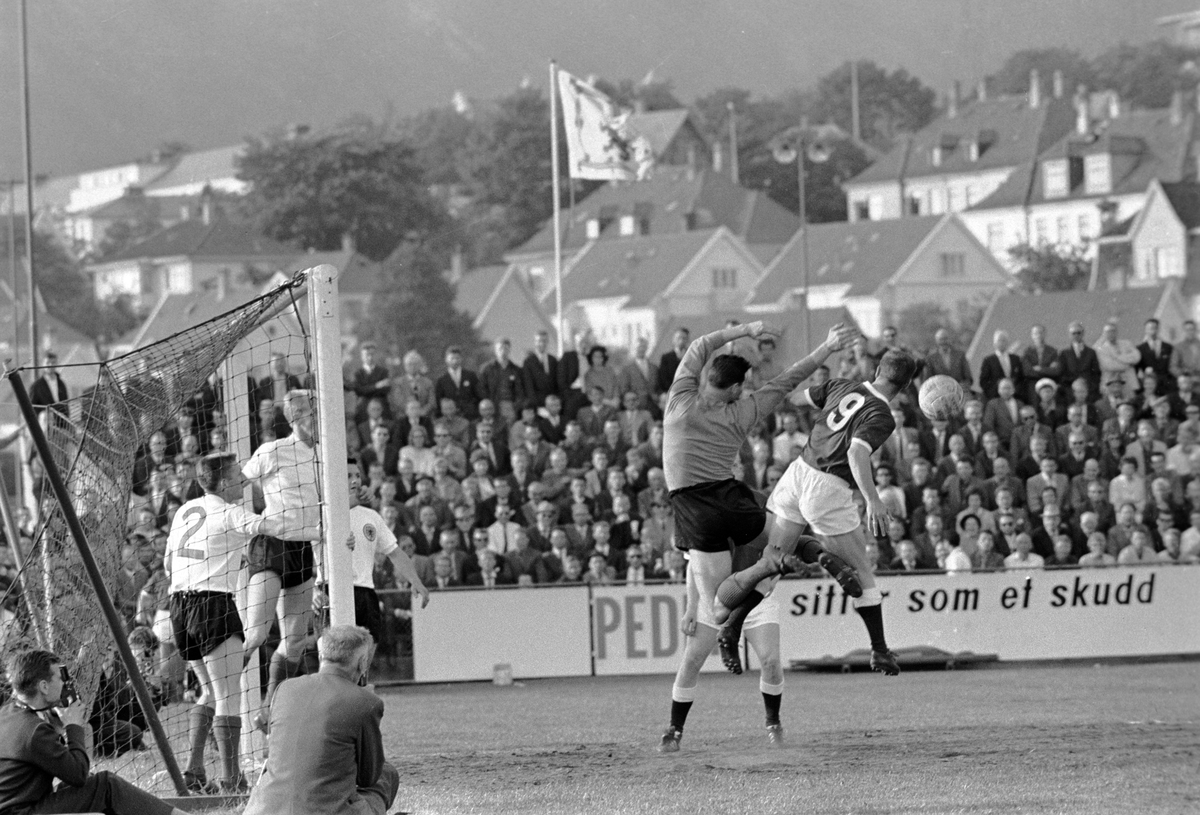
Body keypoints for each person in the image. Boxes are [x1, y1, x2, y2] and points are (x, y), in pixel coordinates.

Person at [657, 320, 857, 754]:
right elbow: (786, 381)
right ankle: (813, 555)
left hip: (694, 508)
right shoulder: (740, 412)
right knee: (783, 532)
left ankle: (766, 568)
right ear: (733, 388)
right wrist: (825, 348)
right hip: (732, 497)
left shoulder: (679, 399)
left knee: (720, 604)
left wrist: (744, 329)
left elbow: (700, 344)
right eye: (741, 386)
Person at [715, 345, 921, 678]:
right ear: (906, 385)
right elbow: (856, 453)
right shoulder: (882, 415)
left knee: (771, 564)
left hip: (796, 474)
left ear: (877, 370)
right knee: (863, 572)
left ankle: (731, 628)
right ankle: (880, 650)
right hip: (827, 486)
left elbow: (796, 399)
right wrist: (873, 499)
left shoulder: (840, 385)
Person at [166, 452, 320, 793]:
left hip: (177, 605)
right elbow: (273, 528)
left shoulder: (184, 510)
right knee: (228, 695)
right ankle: (232, 779)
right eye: (238, 476)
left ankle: (193, 771)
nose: (243, 481)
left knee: (209, 691)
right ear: (224, 482)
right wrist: (321, 531)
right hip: (211, 604)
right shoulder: (231, 513)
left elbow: (167, 562)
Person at [0, 650, 187, 815]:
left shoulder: (8, 714)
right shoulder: (35, 730)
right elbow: (78, 774)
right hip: (22, 811)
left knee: (91, 786)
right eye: (59, 678)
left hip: (17, 806)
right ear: (44, 686)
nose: (65, 683)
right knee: (105, 785)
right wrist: (73, 725)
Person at [243, 626, 400, 815]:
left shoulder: (284, 689)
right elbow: (369, 776)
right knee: (387, 774)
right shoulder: (366, 702)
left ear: (320, 656)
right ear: (363, 663)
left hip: (264, 809)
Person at [241, 389, 323, 728]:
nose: (316, 416)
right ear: (294, 417)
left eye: (316, 409)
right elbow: (238, 483)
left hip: (303, 549)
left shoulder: (326, 455)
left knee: (294, 642)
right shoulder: (273, 451)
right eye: (310, 411)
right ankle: (221, 700)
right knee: (257, 633)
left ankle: (267, 711)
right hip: (273, 545)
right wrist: (247, 523)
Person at [342, 458, 429, 646]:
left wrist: (415, 580)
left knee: (367, 652)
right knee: (338, 654)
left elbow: (395, 552)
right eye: (348, 476)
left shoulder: (371, 516)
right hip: (335, 591)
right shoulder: (325, 511)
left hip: (366, 591)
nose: (355, 480)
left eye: (357, 475)